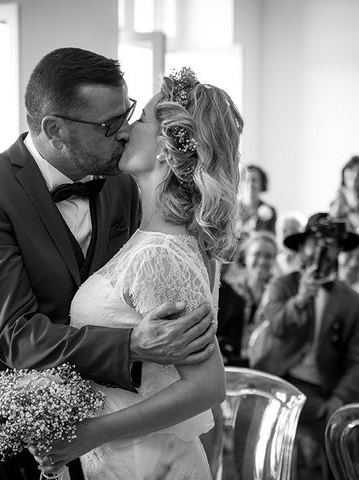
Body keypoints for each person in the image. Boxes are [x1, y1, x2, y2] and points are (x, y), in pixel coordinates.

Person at [0, 49, 217, 480]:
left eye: (128, 114)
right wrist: (130, 345)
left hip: (95, 436)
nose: (125, 132)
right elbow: (16, 336)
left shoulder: (123, 186)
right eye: (110, 125)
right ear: (55, 130)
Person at [31, 66, 242, 479]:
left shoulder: (159, 254)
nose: (124, 131)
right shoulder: (152, 238)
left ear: (166, 148)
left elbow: (206, 385)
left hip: (151, 463)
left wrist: (90, 434)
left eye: (140, 119)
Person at [253, 213, 359, 480]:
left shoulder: (355, 303)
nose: (322, 250)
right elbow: (276, 326)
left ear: (340, 250)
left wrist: (339, 398)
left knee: (341, 444)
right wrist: (299, 300)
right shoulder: (282, 285)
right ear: (302, 247)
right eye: (315, 242)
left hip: (321, 391)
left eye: (330, 244)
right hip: (276, 380)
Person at [218, 232, 278, 365]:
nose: (262, 261)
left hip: (264, 366)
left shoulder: (277, 294)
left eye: (268, 256)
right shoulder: (229, 290)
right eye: (257, 254)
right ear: (245, 258)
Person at [330, 155, 359, 229]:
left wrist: (351, 207)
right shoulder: (341, 195)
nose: (355, 175)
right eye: (351, 170)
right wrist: (340, 201)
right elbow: (333, 219)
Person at [237, 164, 277, 234]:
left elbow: (271, 238)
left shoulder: (271, 211)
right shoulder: (233, 209)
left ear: (262, 184)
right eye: (247, 180)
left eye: (254, 180)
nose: (250, 184)